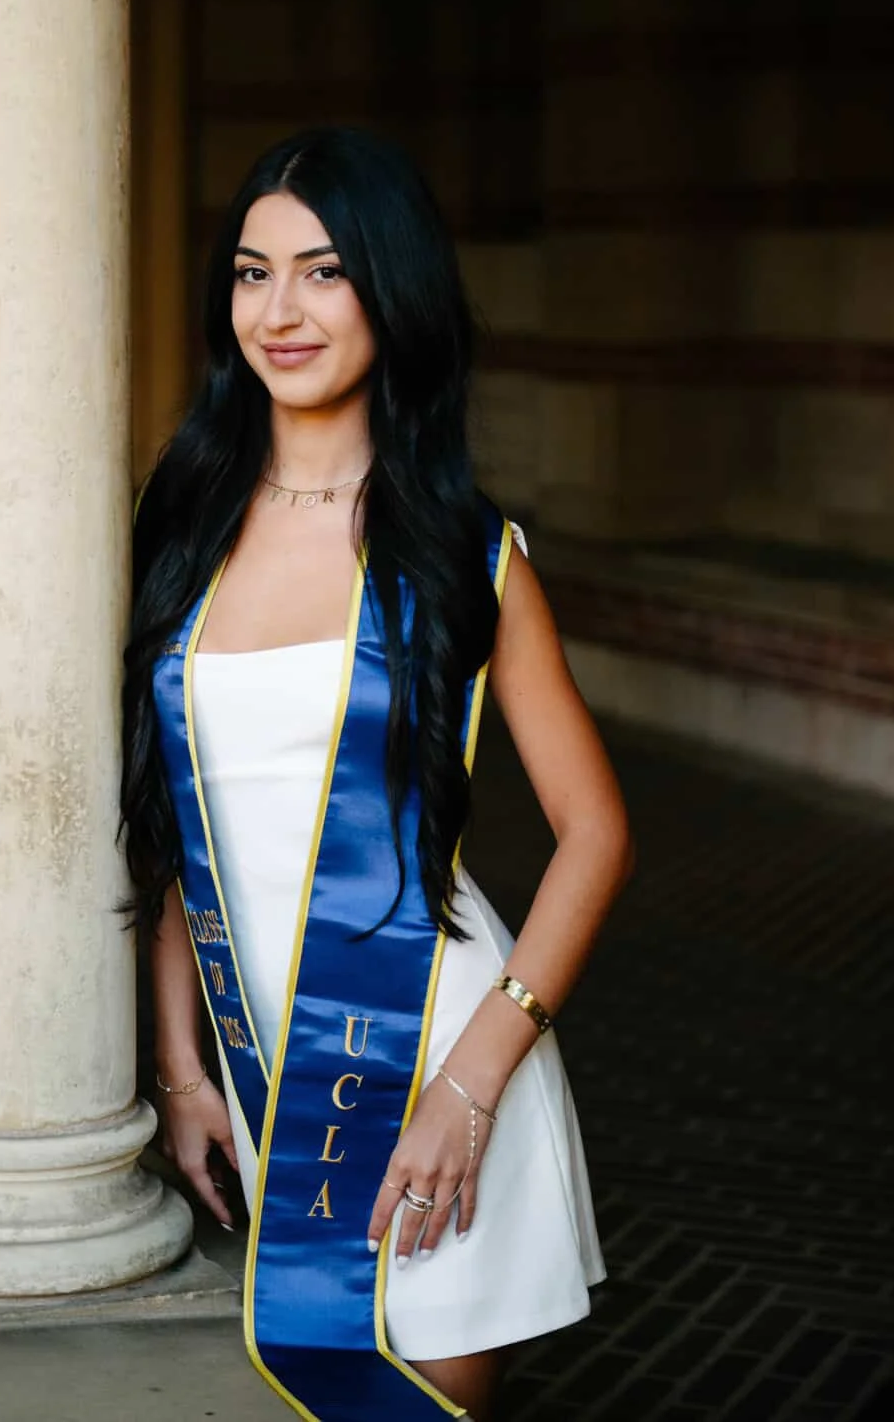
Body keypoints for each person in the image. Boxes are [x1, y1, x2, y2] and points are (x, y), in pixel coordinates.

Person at [121, 126, 632, 1422]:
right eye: (253, 273)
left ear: (390, 291)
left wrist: (473, 1082)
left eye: (323, 271)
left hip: (435, 1058)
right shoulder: (183, 519)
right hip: (264, 1060)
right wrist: (181, 1066)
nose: (279, 310)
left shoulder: (464, 551)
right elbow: (173, 826)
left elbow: (595, 832)